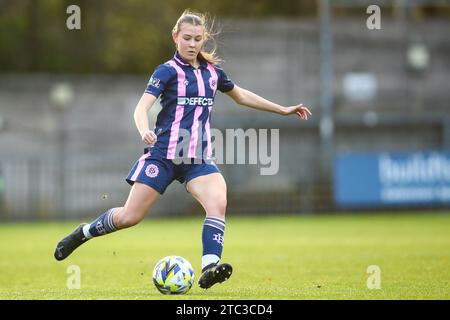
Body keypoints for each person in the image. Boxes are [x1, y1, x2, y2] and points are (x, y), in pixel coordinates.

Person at [53, 9, 312, 290]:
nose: (192, 44)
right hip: (163, 155)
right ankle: (84, 232)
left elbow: (241, 95)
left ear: (204, 40)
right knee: (130, 217)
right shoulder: (166, 71)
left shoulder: (213, 74)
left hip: (198, 158)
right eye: (187, 38)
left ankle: (209, 267)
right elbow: (142, 107)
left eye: (198, 39)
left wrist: (282, 109)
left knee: (218, 203)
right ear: (175, 37)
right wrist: (144, 130)